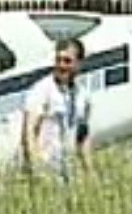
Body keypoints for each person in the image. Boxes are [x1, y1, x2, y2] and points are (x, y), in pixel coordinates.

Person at [21, 37, 93, 182]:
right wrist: (37, 170)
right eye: (58, 60)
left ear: (78, 63)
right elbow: (29, 132)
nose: (61, 65)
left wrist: (89, 172)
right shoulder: (42, 90)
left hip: (68, 173)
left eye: (67, 61)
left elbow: (82, 136)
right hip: (45, 173)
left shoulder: (83, 94)